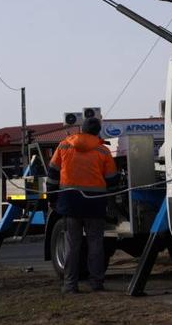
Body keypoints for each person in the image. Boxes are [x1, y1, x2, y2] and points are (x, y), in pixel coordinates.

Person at [46, 117, 119, 294]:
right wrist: (112, 201)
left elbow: (53, 174)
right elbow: (112, 180)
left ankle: (70, 285)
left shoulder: (64, 146)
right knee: (95, 244)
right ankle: (96, 283)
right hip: (95, 204)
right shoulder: (103, 151)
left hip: (70, 203)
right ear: (97, 131)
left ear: (82, 129)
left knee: (72, 244)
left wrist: (52, 197)